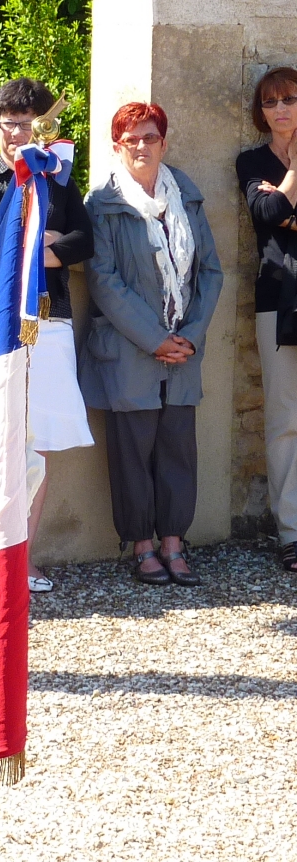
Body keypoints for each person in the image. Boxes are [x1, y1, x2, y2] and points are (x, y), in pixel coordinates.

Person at [0, 77, 95, 593]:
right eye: (8, 123)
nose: (16, 134)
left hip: (49, 317)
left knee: (36, 446)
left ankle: (24, 557)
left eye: (27, 123)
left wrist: (44, 251)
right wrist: (41, 243)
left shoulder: (58, 179)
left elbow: (85, 241)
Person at [79, 103, 223, 586]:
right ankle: (142, 545)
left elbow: (210, 272)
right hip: (129, 350)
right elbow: (103, 279)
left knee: (179, 448)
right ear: (116, 145)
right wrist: (156, 339)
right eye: (131, 138)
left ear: (164, 141)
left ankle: (174, 544)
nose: (141, 145)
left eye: (150, 136)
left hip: (184, 349)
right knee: (132, 452)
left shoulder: (186, 195)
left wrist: (191, 336)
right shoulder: (101, 202)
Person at [236, 66, 297, 572]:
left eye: (290, 100)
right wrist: (294, 174)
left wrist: (284, 205)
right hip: (278, 298)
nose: (281, 110)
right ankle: (291, 532)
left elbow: (282, 213)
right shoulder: (251, 161)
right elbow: (266, 213)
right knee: (284, 421)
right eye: (271, 102)